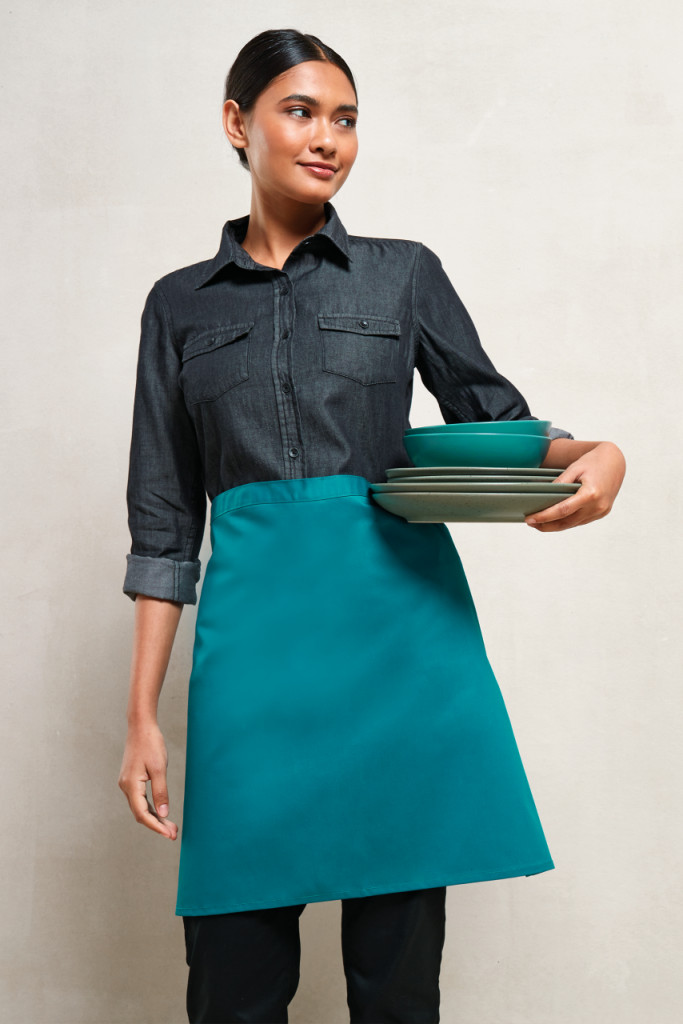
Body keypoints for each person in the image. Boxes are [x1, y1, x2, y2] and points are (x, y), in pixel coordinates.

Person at [117, 28, 626, 1024]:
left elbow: (493, 421)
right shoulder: (177, 307)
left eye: (345, 118)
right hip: (255, 664)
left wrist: (596, 452)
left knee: (396, 994)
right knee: (230, 987)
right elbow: (164, 519)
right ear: (237, 123)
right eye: (300, 112)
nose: (328, 138)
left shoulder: (402, 274)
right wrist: (140, 716)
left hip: (401, 656)